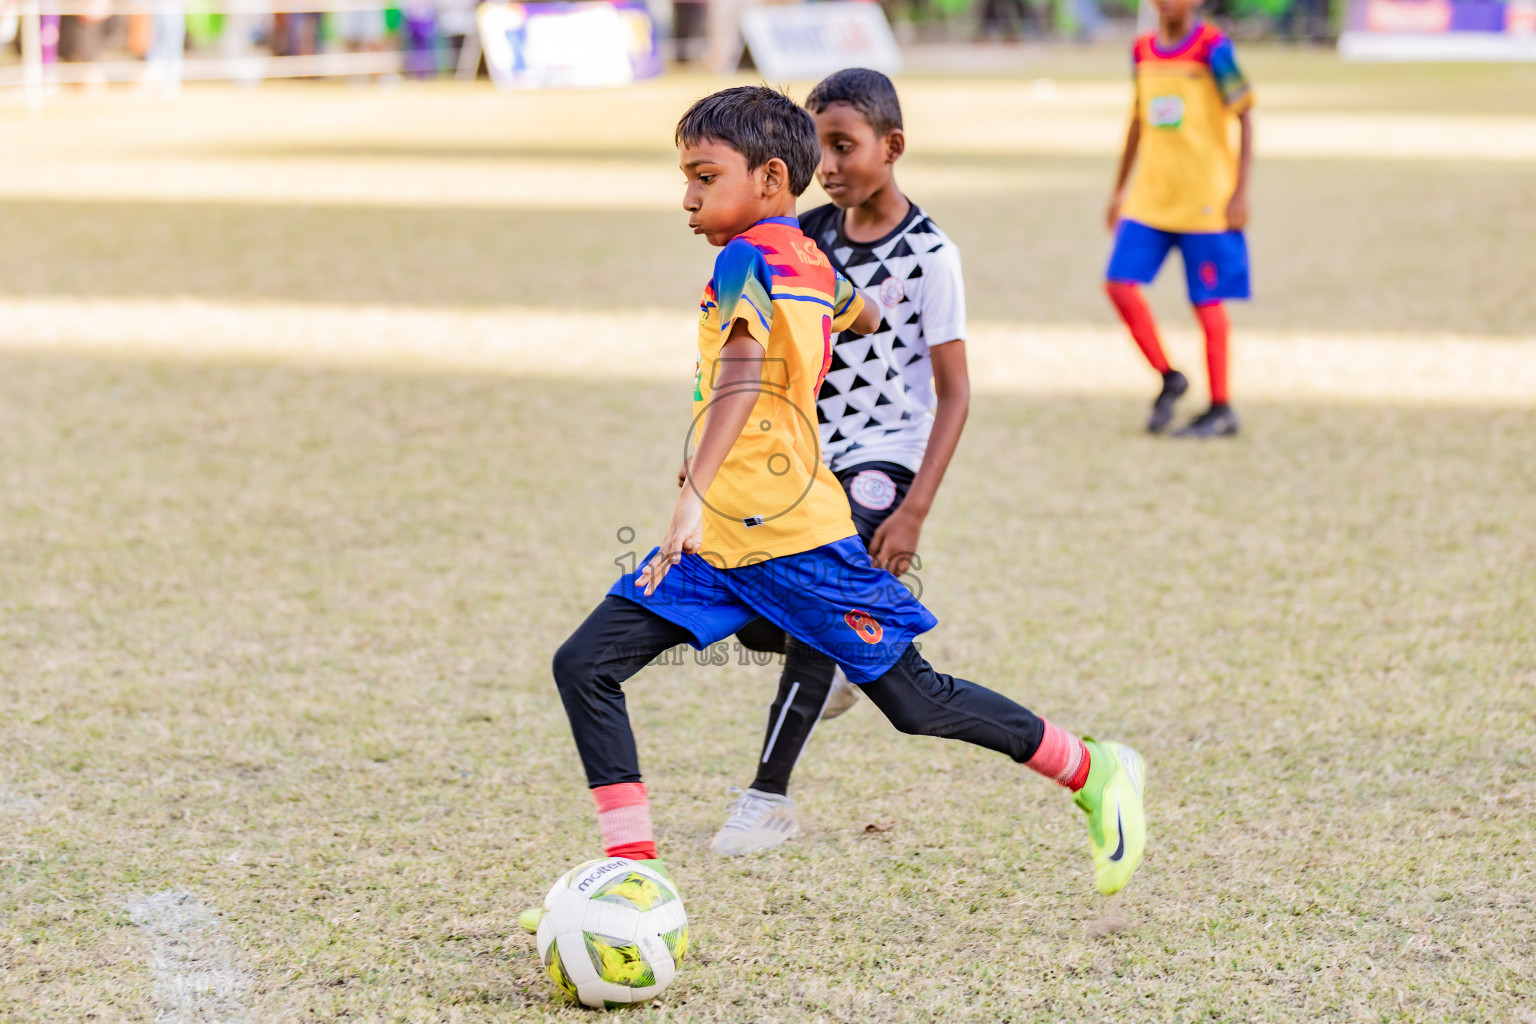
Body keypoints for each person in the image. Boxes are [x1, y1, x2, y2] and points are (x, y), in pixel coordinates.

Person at [520, 87, 1147, 937]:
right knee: (586, 664)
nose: (688, 197)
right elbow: (867, 312)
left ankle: (1094, 767)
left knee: (918, 703)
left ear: (772, 177)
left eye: (705, 176)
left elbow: (742, 376)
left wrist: (689, 497)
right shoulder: (808, 259)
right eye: (686, 178)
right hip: (727, 547)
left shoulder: (745, 259)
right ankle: (633, 884)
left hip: (792, 541)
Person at [709, 69, 973, 857]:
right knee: (766, 612)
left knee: (818, 614)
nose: (827, 164)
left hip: (883, 460)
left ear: (892, 147)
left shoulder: (931, 254)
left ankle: (766, 799)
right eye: (819, 146)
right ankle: (854, 657)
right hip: (803, 462)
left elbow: (955, 394)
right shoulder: (808, 236)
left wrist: (915, 507)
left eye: (844, 146)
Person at [1104, 0, 1254, 438]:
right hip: (1150, 200)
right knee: (1118, 284)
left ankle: (1221, 407)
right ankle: (1169, 375)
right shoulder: (1143, 50)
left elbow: (1246, 116)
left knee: (1206, 302)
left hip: (1205, 201)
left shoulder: (1214, 49)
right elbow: (1138, 119)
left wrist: (1240, 191)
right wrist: (1119, 189)